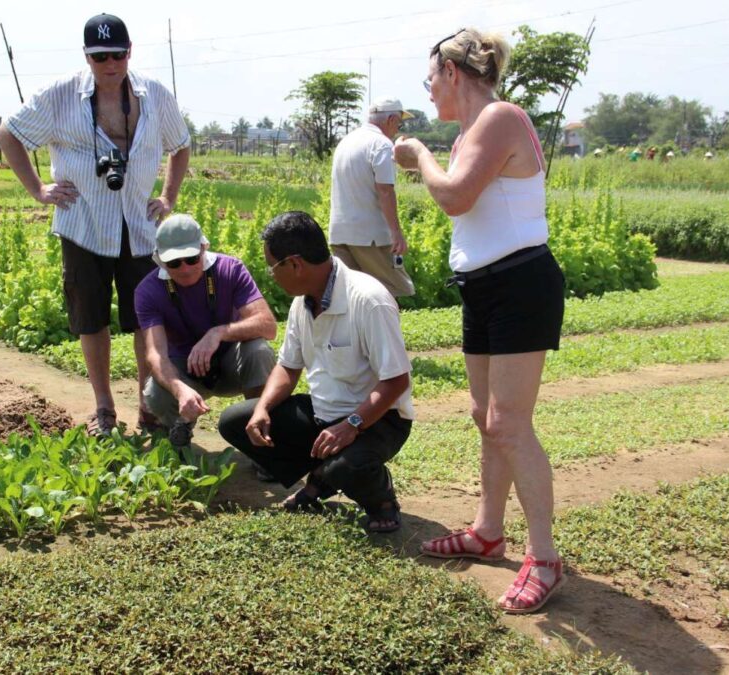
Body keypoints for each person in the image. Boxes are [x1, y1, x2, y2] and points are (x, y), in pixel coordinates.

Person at [394, 28, 566, 613]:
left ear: (451, 71)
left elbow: (457, 197)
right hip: (485, 286)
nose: (430, 91)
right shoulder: (471, 132)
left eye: (430, 80)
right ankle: (488, 531)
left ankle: (543, 557)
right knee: (484, 416)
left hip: (521, 283)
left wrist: (417, 155)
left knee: (509, 421)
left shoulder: (499, 118)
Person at [0, 13, 190, 436]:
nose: (110, 64)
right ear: (87, 57)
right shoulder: (60, 95)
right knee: (91, 318)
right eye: (100, 56)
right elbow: (8, 134)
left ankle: (149, 405)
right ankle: (104, 408)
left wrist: (168, 197)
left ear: (130, 52)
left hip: (139, 227)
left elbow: (181, 144)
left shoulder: (154, 95)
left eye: (117, 54)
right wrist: (38, 190)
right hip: (83, 225)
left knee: (146, 320)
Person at [218, 211, 414, 533]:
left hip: (378, 419)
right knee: (237, 422)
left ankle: (380, 499)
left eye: (273, 266)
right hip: (324, 415)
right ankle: (323, 474)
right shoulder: (302, 303)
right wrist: (263, 408)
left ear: (294, 264)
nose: (271, 276)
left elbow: (395, 381)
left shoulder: (369, 300)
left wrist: (351, 425)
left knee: (349, 467)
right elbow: (288, 366)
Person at [135, 214, 277, 451]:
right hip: (185, 370)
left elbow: (267, 325)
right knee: (155, 391)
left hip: (232, 363)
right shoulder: (147, 291)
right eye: (174, 263)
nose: (185, 268)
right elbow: (155, 355)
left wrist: (217, 333)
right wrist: (180, 390)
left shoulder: (230, 269)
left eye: (192, 258)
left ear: (204, 247)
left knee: (259, 351)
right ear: (159, 260)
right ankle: (179, 430)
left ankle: (258, 435)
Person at [328, 98, 416, 298]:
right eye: (399, 123)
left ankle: (358, 331)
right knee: (392, 290)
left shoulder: (346, 142)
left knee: (352, 296)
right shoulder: (381, 144)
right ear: (391, 119)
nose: (397, 129)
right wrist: (396, 232)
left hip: (340, 234)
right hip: (371, 237)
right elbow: (385, 190)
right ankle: (386, 330)